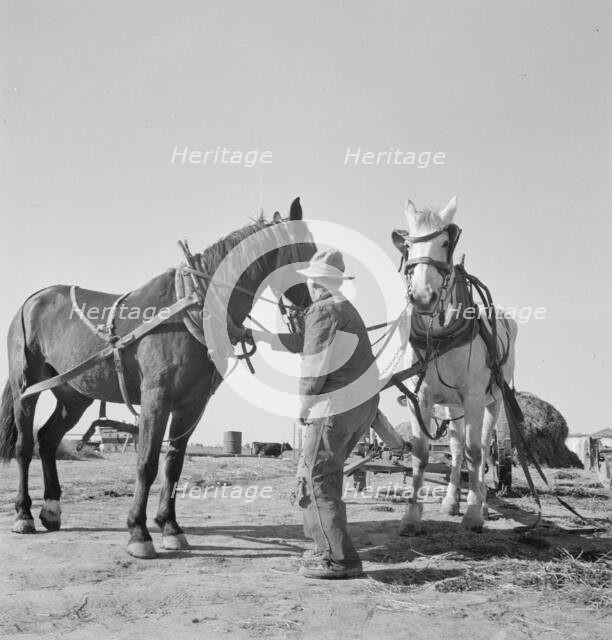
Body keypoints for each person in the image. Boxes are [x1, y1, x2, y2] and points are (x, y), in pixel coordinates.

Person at [254, 248, 386, 579]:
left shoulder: (323, 310)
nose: (310, 289)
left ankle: (339, 559)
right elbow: (306, 341)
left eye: (312, 282)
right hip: (362, 407)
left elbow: (314, 365)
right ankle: (324, 548)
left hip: (333, 408)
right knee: (327, 476)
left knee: (317, 481)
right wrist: (262, 336)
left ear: (317, 283)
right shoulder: (344, 309)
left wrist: (304, 402)